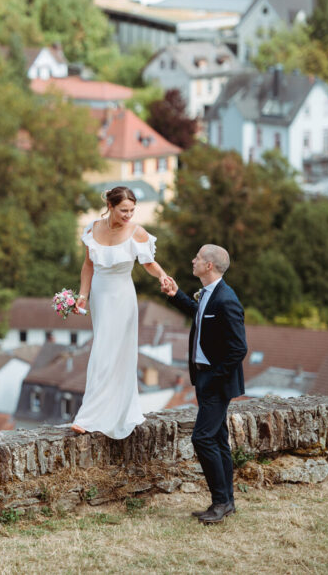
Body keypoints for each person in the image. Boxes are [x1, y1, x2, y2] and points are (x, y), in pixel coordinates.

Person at [70, 186, 175, 439]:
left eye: (132, 210)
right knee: (103, 348)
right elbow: (88, 266)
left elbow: (148, 263)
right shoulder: (92, 228)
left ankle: (89, 416)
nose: (129, 215)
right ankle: (99, 412)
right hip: (99, 296)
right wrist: (82, 296)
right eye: (123, 210)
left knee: (112, 351)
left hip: (122, 297)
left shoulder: (136, 232)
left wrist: (162, 276)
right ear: (110, 205)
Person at [162, 244, 247, 524]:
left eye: (197, 257)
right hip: (204, 377)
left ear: (208, 266)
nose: (192, 260)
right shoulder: (210, 295)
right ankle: (227, 502)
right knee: (218, 438)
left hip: (216, 381)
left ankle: (220, 502)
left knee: (202, 438)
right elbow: (199, 314)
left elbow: (238, 349)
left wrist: (214, 377)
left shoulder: (227, 300)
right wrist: (176, 296)